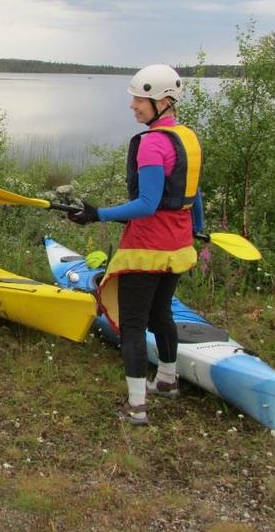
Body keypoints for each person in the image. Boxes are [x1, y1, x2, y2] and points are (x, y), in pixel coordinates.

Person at [67, 64, 204, 425]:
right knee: (162, 313)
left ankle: (137, 406)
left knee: (131, 323)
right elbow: (195, 192)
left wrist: (98, 214)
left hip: (147, 248)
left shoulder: (152, 144)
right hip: (178, 247)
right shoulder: (188, 138)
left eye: (139, 100)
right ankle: (168, 381)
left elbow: (146, 204)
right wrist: (199, 228)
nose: (133, 106)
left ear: (161, 101)